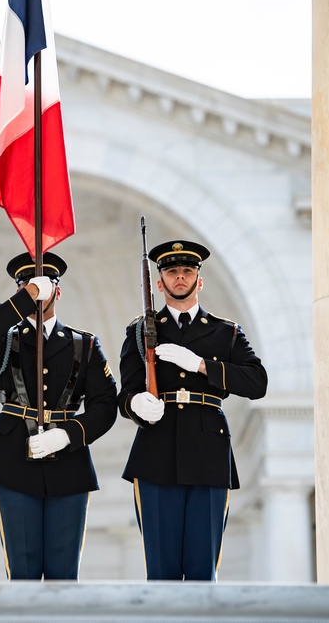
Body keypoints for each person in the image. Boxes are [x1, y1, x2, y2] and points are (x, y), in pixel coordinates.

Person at [118, 239, 267, 581]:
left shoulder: (225, 332)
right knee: (161, 572)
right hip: (156, 452)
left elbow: (256, 382)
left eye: (187, 271)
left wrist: (202, 365)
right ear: (159, 282)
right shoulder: (140, 330)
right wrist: (135, 405)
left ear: (199, 281)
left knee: (203, 572)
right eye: (172, 271)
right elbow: (124, 393)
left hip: (208, 453)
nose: (180, 277)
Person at [0, 251, 118, 580]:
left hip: (69, 461)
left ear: (59, 291)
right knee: (21, 571)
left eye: (44, 285)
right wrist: (25, 299)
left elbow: (105, 404)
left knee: (63, 574)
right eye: (26, 285)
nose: (36, 291)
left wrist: (68, 434)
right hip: (13, 459)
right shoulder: (6, 341)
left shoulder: (85, 345)